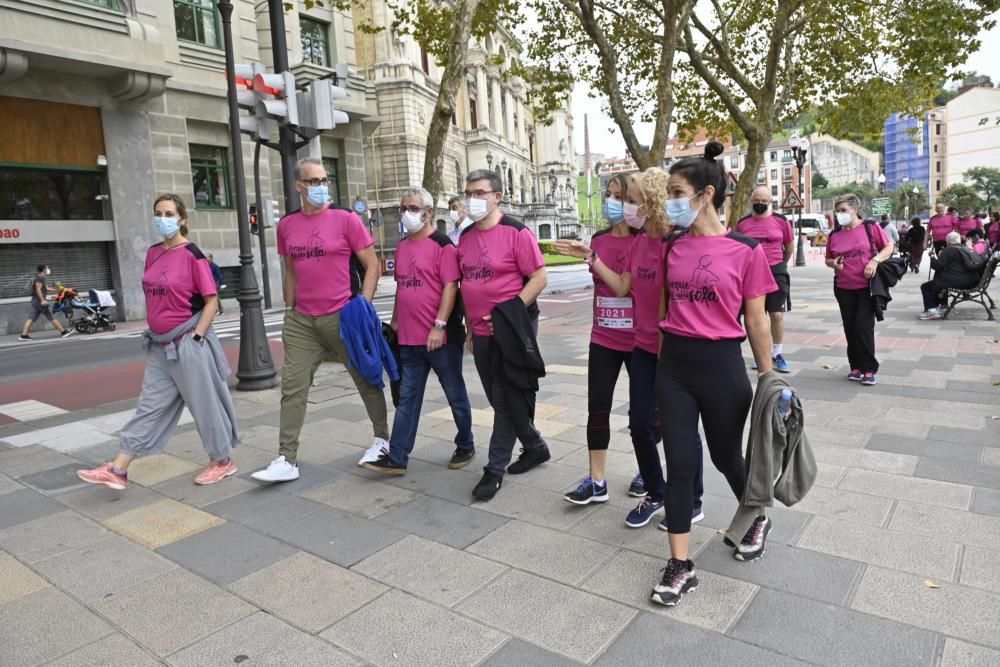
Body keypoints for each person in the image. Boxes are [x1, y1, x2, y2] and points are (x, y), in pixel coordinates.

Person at [650, 141, 777, 607]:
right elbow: (666, 308)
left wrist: (770, 379)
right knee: (680, 465)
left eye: (677, 192)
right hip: (675, 369)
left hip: (724, 367)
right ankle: (680, 565)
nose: (670, 202)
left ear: (706, 194)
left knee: (726, 457)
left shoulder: (746, 251)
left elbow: (758, 320)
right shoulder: (670, 246)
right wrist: (659, 368)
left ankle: (756, 515)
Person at [77, 194, 238, 490]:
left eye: (168, 213)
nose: (162, 218)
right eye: (158, 213)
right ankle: (118, 469)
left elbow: (211, 300)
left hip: (188, 341)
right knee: (150, 406)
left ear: (182, 219)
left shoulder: (193, 255)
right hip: (159, 345)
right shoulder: (154, 253)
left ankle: (222, 461)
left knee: (204, 405)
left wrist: (198, 337)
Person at [251, 158, 389, 483]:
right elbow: (290, 271)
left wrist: (363, 306)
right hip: (301, 321)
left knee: (365, 379)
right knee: (293, 388)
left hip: (343, 315)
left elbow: (372, 265)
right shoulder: (286, 226)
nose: (321, 186)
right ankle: (287, 459)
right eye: (313, 181)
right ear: (298, 186)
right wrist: (289, 310)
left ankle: (382, 440)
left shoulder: (346, 219)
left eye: (324, 180)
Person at [362, 187, 474, 474]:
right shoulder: (401, 247)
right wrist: (396, 323)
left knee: (454, 393)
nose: (406, 214)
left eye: (413, 208)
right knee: (408, 398)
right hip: (410, 340)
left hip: (442, 339)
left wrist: (439, 326)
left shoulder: (442, 245)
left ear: (428, 213)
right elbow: (403, 287)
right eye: (403, 208)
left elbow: (451, 287)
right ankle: (398, 457)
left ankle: (466, 444)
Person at [458, 169, 550, 501]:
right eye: (469, 192)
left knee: (508, 399)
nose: (473, 199)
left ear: (497, 196)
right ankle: (535, 446)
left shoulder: (516, 232)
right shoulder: (465, 237)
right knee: (501, 400)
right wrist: (469, 326)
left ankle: (494, 470)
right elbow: (465, 285)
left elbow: (539, 278)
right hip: (481, 332)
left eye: (480, 193)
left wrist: (508, 314)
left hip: (514, 330)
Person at [824, 194, 893, 386]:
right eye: (837, 211)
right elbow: (828, 259)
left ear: (855, 210)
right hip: (843, 287)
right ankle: (855, 366)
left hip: (866, 287)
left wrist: (874, 260)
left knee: (863, 327)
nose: (840, 214)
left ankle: (869, 368)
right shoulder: (835, 234)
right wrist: (834, 263)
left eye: (844, 210)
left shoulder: (870, 227)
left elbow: (888, 247)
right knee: (850, 327)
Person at [736, 186, 794, 373]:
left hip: (776, 270)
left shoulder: (781, 221)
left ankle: (777, 354)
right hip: (751, 274)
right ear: (751, 201)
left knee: (776, 314)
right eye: (756, 201)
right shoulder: (742, 224)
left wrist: (780, 264)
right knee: (755, 316)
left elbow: (789, 245)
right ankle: (760, 355)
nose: (760, 204)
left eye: (764, 201)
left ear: (771, 202)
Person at [918, 231, 986, 320]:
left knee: (926, 286)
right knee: (938, 282)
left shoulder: (949, 250)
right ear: (959, 240)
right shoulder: (966, 248)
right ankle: (939, 306)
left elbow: (938, 266)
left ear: (947, 242)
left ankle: (932, 311)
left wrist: (932, 257)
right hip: (973, 280)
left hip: (960, 281)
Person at [19, 264, 74, 341]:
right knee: (51, 317)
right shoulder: (40, 278)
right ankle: (63, 332)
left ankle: (24, 335)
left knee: (31, 318)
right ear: (44, 269)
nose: (48, 269)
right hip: (39, 302)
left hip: (36, 301)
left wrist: (57, 290)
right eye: (47, 268)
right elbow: (38, 289)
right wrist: (42, 300)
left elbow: (46, 288)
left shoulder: (41, 278)